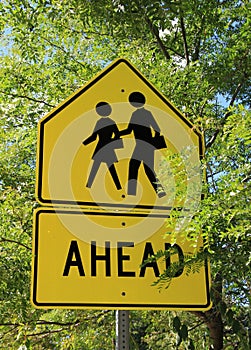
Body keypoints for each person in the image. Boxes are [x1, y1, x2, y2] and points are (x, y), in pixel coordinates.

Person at [119, 91, 166, 197]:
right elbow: (129, 130)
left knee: (136, 166)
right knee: (143, 168)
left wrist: (154, 141)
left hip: (145, 145)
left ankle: (132, 192)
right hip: (143, 145)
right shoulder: (136, 114)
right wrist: (118, 134)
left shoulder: (145, 113)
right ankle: (159, 191)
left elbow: (157, 128)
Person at [83, 102, 122, 190]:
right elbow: (117, 135)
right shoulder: (111, 122)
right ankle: (118, 187)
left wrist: (84, 143)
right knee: (110, 168)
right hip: (108, 147)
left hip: (101, 147)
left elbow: (94, 136)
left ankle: (88, 186)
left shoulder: (100, 122)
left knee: (96, 167)